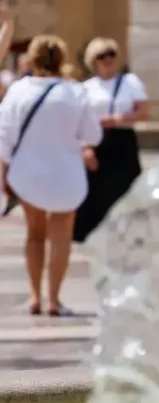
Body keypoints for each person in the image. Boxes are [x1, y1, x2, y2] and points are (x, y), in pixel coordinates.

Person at [0, 35, 102, 315]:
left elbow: (4, 136)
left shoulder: (18, 91)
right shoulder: (75, 92)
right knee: (61, 236)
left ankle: (34, 296)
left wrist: (4, 172)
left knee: (34, 234)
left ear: (32, 59)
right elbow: (92, 134)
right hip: (65, 174)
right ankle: (54, 299)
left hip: (27, 173)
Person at [73, 37, 149, 243]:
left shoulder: (130, 82)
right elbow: (80, 121)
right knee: (95, 192)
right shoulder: (87, 87)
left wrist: (118, 119)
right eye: (102, 56)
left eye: (111, 55)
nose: (107, 60)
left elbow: (143, 112)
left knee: (124, 189)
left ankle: (127, 234)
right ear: (93, 61)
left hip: (122, 140)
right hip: (96, 141)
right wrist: (85, 149)